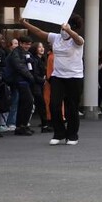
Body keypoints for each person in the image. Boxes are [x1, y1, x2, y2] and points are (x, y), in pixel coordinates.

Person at [20, 15, 84, 146]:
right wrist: (25, 24)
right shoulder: (56, 37)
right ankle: (59, 133)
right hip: (58, 76)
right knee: (54, 105)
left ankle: (72, 135)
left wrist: (69, 31)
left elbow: (79, 40)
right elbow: (39, 32)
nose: (63, 31)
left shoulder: (76, 40)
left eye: (65, 29)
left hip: (74, 77)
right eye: (62, 29)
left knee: (72, 107)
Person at [5, 37, 38, 136]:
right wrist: (31, 77)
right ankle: (22, 126)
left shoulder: (24, 53)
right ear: (21, 43)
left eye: (29, 44)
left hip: (24, 80)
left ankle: (21, 125)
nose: (28, 46)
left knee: (23, 103)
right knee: (28, 102)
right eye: (26, 44)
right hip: (20, 80)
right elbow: (20, 66)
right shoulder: (17, 53)